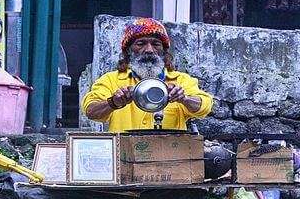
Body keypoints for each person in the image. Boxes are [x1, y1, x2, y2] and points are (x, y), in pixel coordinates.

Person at [82, 18, 213, 132]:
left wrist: (184, 98)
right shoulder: (110, 80)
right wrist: (113, 102)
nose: (149, 50)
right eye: (141, 43)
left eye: (156, 44)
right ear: (128, 50)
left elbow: (205, 106)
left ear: (164, 51)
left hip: (169, 156)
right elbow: (91, 111)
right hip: (125, 156)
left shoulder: (181, 80)